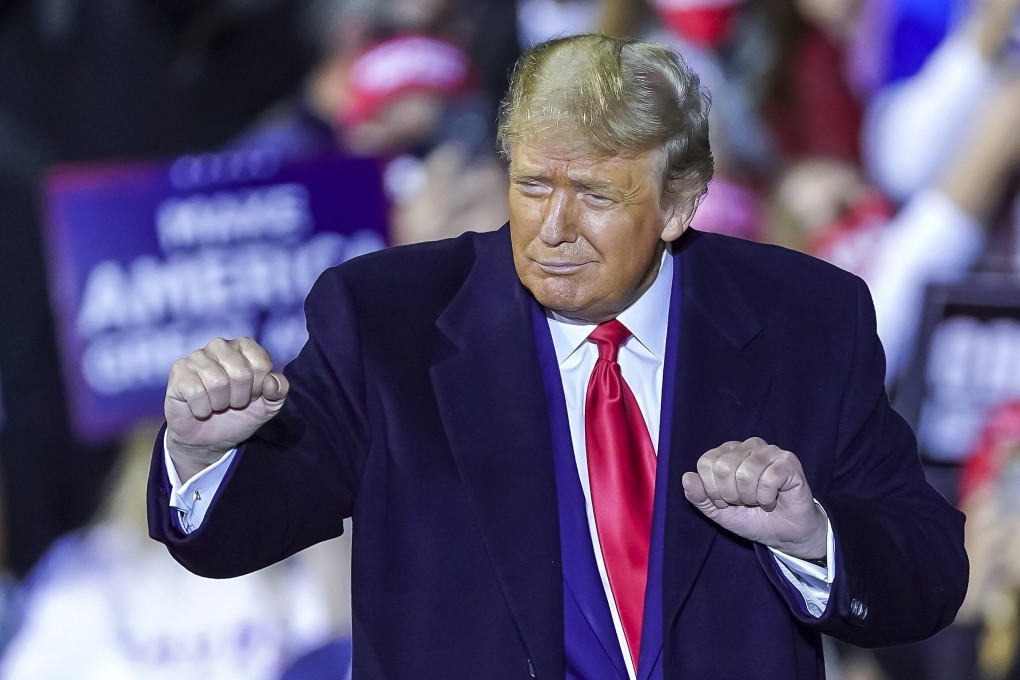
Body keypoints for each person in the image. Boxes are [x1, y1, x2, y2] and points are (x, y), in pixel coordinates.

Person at [148, 34, 967, 679]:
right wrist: (197, 452)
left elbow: (927, 570)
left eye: (598, 196)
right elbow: (238, 532)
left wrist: (811, 536)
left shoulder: (805, 320)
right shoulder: (388, 320)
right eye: (534, 186)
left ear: (680, 203)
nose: (554, 227)